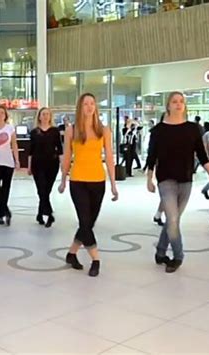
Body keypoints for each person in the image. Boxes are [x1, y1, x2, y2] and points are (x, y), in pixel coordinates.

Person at [146, 92, 209, 273]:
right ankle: (178, 256)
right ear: (168, 105)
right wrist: (149, 178)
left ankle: (160, 251)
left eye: (181, 102)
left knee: (174, 220)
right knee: (172, 218)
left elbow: (202, 156)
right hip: (165, 179)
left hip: (186, 180)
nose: (178, 104)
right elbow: (151, 156)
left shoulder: (193, 129)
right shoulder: (158, 130)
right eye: (174, 101)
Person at [58, 93, 118, 277]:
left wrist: (114, 184)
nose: (89, 107)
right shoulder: (72, 130)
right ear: (80, 107)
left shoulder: (104, 130)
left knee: (88, 224)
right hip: (78, 181)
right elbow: (67, 156)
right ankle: (96, 259)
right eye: (85, 104)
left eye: (92, 103)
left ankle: (71, 253)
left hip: (98, 181)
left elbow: (109, 157)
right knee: (84, 221)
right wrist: (63, 180)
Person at [28, 107, 63, 227]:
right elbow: (30, 151)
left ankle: (40, 213)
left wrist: (63, 165)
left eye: (47, 114)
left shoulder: (55, 131)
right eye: (43, 114)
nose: (45, 116)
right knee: (41, 189)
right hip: (37, 164)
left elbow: (60, 149)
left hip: (52, 164)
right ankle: (50, 215)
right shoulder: (34, 132)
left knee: (46, 191)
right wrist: (29, 167)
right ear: (39, 116)